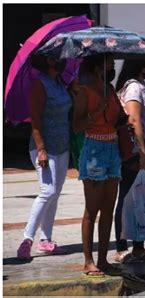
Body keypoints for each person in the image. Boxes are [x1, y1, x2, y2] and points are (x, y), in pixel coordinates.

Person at [16, 55, 71, 260]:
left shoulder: (60, 83)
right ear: (48, 60)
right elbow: (36, 120)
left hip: (62, 146)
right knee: (47, 191)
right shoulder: (39, 85)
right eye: (57, 56)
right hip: (44, 147)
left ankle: (46, 240)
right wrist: (41, 149)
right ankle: (27, 239)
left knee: (55, 192)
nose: (62, 58)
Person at [73, 54, 122, 277]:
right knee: (92, 209)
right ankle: (88, 260)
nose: (112, 69)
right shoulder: (84, 92)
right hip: (94, 150)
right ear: (96, 68)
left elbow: (117, 118)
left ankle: (103, 259)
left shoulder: (110, 89)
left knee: (108, 209)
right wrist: (96, 110)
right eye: (109, 66)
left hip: (112, 149)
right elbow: (76, 126)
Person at [113, 57, 145, 263]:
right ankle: (122, 248)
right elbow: (134, 120)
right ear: (140, 63)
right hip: (135, 147)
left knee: (142, 196)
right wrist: (141, 151)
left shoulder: (142, 85)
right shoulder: (133, 87)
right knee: (127, 196)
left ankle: (139, 247)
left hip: (144, 145)